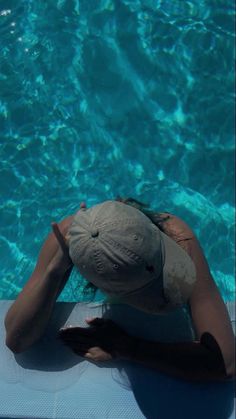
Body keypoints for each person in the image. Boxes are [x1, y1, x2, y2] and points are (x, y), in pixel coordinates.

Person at [4, 197, 235, 382]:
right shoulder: (67, 240)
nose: (164, 296)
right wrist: (55, 271)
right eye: (150, 291)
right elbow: (17, 340)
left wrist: (130, 348)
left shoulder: (174, 232)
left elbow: (225, 363)